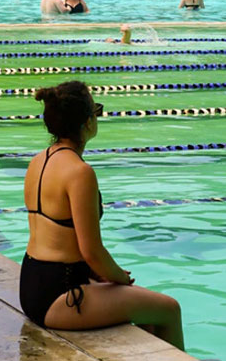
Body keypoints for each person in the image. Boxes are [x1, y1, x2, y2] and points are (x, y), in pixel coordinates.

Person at [20, 81, 184, 349]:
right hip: (62, 295)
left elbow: (59, 239)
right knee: (169, 309)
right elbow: (91, 251)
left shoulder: (38, 161)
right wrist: (119, 277)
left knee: (148, 317)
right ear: (87, 122)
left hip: (32, 286)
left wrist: (104, 277)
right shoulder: (79, 172)